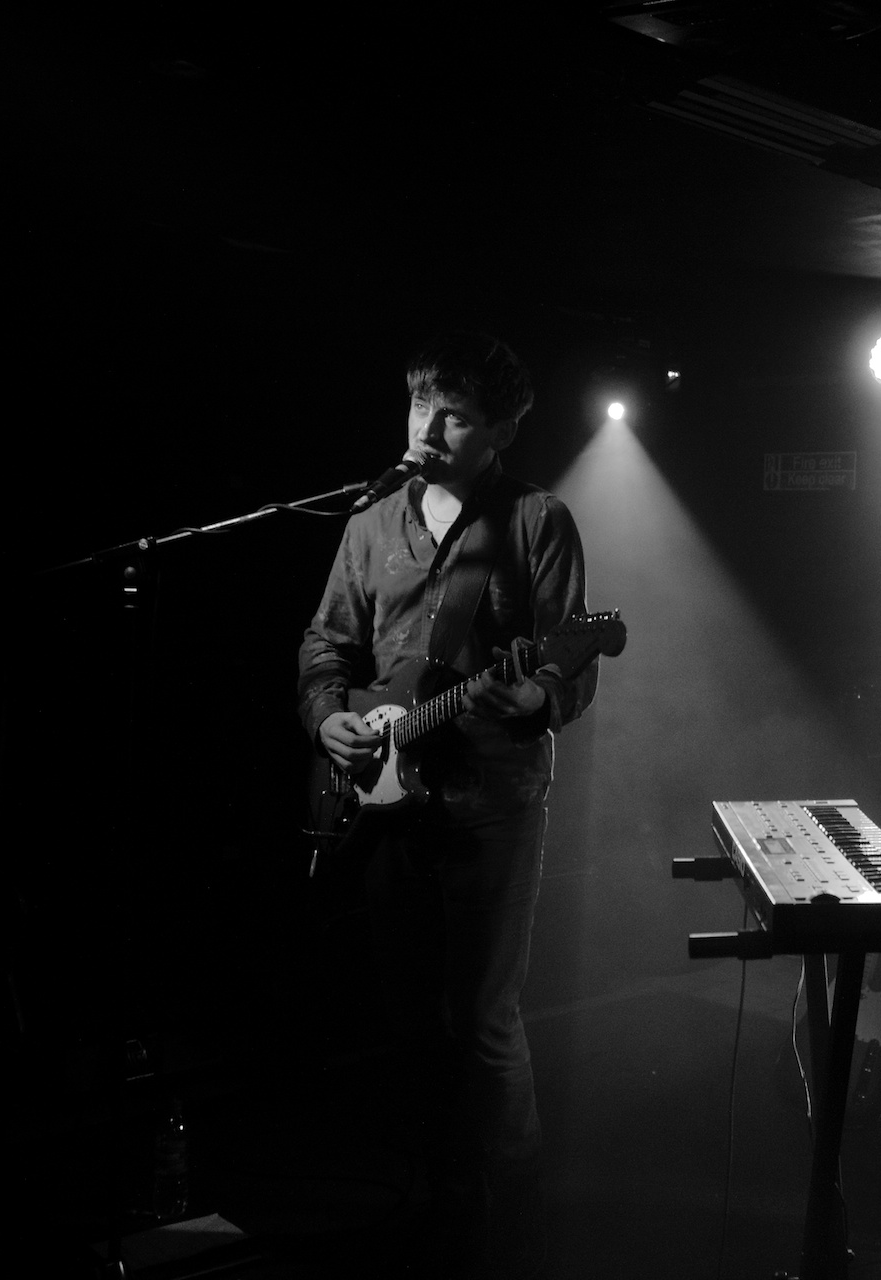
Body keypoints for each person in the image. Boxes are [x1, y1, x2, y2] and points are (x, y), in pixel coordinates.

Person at [296, 332, 597, 1276]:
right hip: (384, 799)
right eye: (422, 406)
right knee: (410, 1018)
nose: (429, 428)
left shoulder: (537, 522)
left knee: (483, 1018)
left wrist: (539, 695)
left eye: (456, 415)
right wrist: (327, 723)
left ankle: (513, 1233)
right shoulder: (370, 524)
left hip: (491, 803)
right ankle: (440, 1206)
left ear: (503, 429)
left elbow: (571, 662)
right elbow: (324, 649)